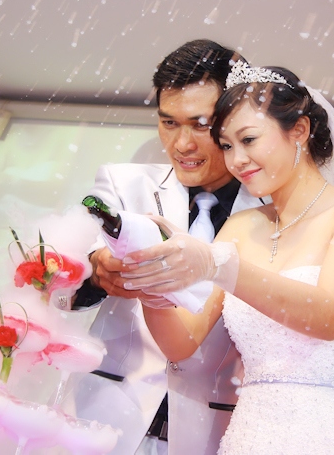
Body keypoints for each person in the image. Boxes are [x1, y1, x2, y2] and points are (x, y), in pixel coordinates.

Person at [122, 62, 334, 454]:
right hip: (249, 437)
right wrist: (153, 287)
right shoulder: (240, 227)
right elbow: (183, 343)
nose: (236, 160)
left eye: (248, 140)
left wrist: (219, 265)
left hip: (333, 435)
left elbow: (328, 317)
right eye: (227, 146)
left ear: (299, 130)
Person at [71, 39, 264, 455]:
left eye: (200, 124)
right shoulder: (122, 183)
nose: (182, 144)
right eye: (169, 123)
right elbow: (58, 283)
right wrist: (96, 272)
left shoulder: (275, 215)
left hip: (215, 432)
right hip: (106, 418)